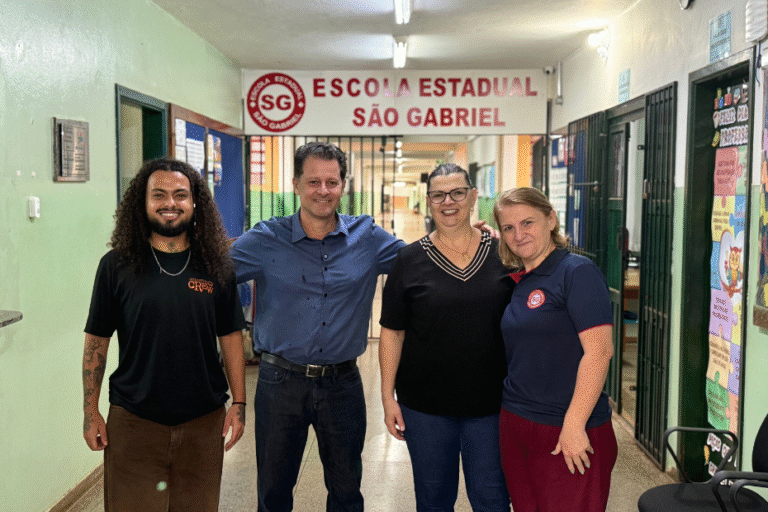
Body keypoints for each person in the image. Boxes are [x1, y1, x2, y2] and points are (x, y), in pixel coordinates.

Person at [230, 142, 403, 512]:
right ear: (296, 185)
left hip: (343, 385)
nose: (323, 191)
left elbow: (419, 265)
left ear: (343, 185)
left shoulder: (368, 238)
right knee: (273, 492)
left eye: (332, 182)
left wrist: (467, 244)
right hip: (279, 384)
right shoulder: (265, 239)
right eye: (313, 182)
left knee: (346, 491)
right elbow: (211, 274)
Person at [82, 158, 246, 512]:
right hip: (134, 420)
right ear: (142, 203)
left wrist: (240, 403)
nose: (170, 203)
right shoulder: (117, 265)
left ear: (194, 202)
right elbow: (97, 341)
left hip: (203, 421)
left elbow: (231, 335)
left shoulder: (217, 265)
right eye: (159, 195)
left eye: (180, 195)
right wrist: (90, 411)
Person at [379, 163, 512, 512]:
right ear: (428, 201)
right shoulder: (408, 260)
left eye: (457, 193)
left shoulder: (504, 255)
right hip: (425, 407)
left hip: (492, 405)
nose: (448, 201)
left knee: (492, 498)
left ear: (472, 197)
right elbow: (392, 332)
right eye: (438, 194)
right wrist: (387, 396)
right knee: (434, 499)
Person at [493, 187, 617, 512]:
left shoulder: (577, 273)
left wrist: (574, 425)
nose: (518, 235)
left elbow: (600, 352)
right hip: (518, 422)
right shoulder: (522, 280)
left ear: (551, 219)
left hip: (567, 428)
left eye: (527, 223)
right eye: (508, 228)